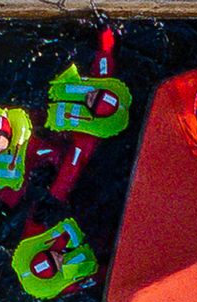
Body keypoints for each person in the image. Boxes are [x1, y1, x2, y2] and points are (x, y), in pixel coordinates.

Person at [41, 27, 132, 202]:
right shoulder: (103, 78)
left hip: (46, 121)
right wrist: (104, 29)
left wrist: (53, 197)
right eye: (95, 93)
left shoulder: (86, 139)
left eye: (92, 101)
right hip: (50, 92)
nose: (89, 95)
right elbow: (106, 52)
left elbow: (71, 168)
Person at [9, 212, 101, 301]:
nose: (61, 258)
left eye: (56, 255)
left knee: (70, 233)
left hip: (47, 246)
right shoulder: (54, 287)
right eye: (59, 262)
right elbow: (77, 286)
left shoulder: (27, 248)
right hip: (89, 260)